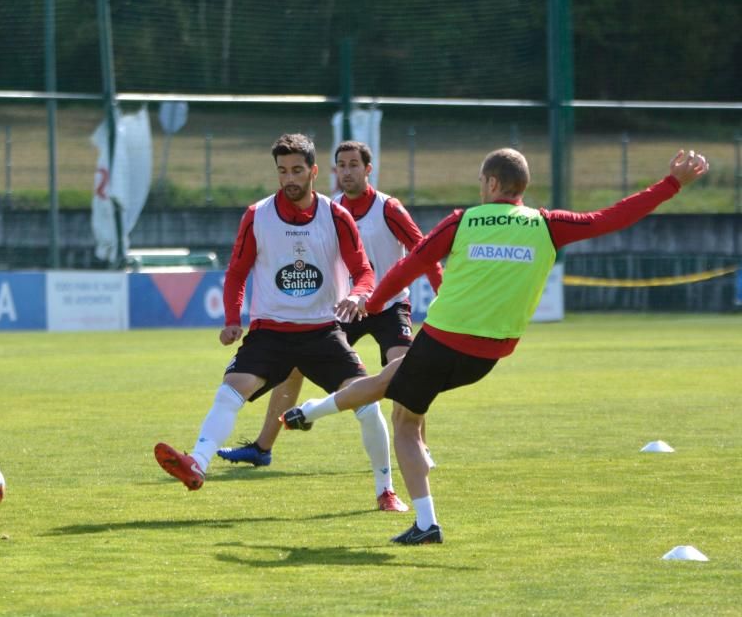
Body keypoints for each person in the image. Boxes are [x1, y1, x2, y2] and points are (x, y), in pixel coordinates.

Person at [280, 147, 709, 545]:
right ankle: (306, 413)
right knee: (387, 379)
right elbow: (611, 217)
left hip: (442, 340)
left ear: (489, 183)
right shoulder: (546, 224)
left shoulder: (463, 221)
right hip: (486, 357)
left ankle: (426, 523)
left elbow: (410, 265)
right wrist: (671, 184)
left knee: (406, 422)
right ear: (521, 187)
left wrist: (369, 304)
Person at [155, 133, 407, 507]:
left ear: (314, 172)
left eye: (297, 170)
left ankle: (385, 491)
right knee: (230, 389)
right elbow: (237, 273)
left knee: (367, 402)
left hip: (323, 331)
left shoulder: (335, 216)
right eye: (282, 171)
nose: (289, 178)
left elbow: (364, 271)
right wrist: (231, 319)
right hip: (270, 332)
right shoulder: (257, 215)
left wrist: (357, 295)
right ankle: (198, 464)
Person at [216, 141, 443, 510]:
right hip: (346, 306)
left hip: (387, 305)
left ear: (369, 170)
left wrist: (441, 293)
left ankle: (418, 446)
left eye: (354, 164)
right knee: (293, 366)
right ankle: (263, 447)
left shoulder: (389, 208)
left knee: (404, 370)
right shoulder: (327, 209)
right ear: (332, 170)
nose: (347, 171)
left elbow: (424, 250)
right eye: (342, 165)